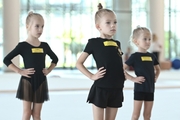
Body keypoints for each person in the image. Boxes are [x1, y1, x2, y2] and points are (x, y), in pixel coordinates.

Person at [3, 11, 58, 120]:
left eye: (42, 26)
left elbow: (55, 59)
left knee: (37, 114)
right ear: (28, 27)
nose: (40, 30)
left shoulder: (44, 46)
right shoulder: (22, 46)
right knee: (27, 112)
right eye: (37, 26)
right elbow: (6, 59)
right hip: (27, 81)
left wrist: (48, 70)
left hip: (41, 81)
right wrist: (20, 71)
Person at [76, 3, 125, 120]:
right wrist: (91, 76)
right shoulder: (93, 43)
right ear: (98, 27)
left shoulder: (117, 43)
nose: (113, 25)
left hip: (117, 87)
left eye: (115, 22)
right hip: (102, 87)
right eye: (108, 23)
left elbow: (118, 64)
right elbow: (79, 63)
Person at [123, 26, 161, 120]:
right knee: (136, 115)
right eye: (145, 39)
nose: (148, 41)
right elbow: (121, 69)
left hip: (150, 89)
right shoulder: (134, 56)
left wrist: (156, 76)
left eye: (149, 39)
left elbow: (158, 69)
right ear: (136, 41)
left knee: (147, 115)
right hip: (139, 89)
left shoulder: (152, 56)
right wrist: (132, 78)